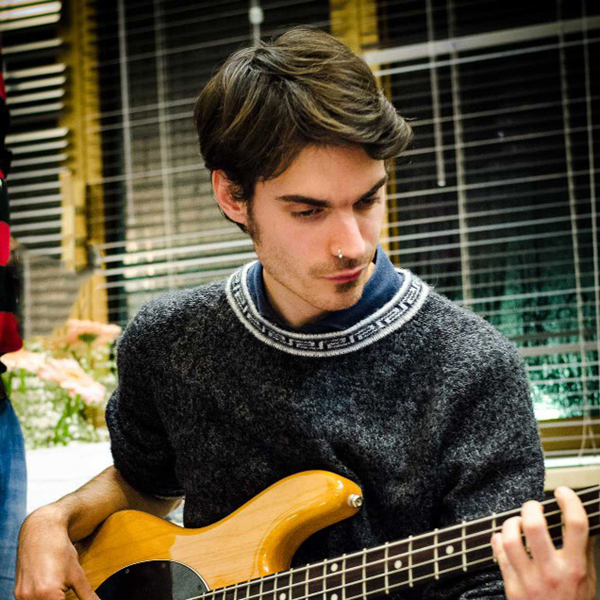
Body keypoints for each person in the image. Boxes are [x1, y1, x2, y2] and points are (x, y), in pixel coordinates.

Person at [14, 27, 596, 600]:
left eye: (368, 200)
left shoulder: (474, 369)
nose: (353, 245)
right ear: (232, 196)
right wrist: (52, 519)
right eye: (309, 211)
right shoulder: (168, 341)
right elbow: (142, 485)